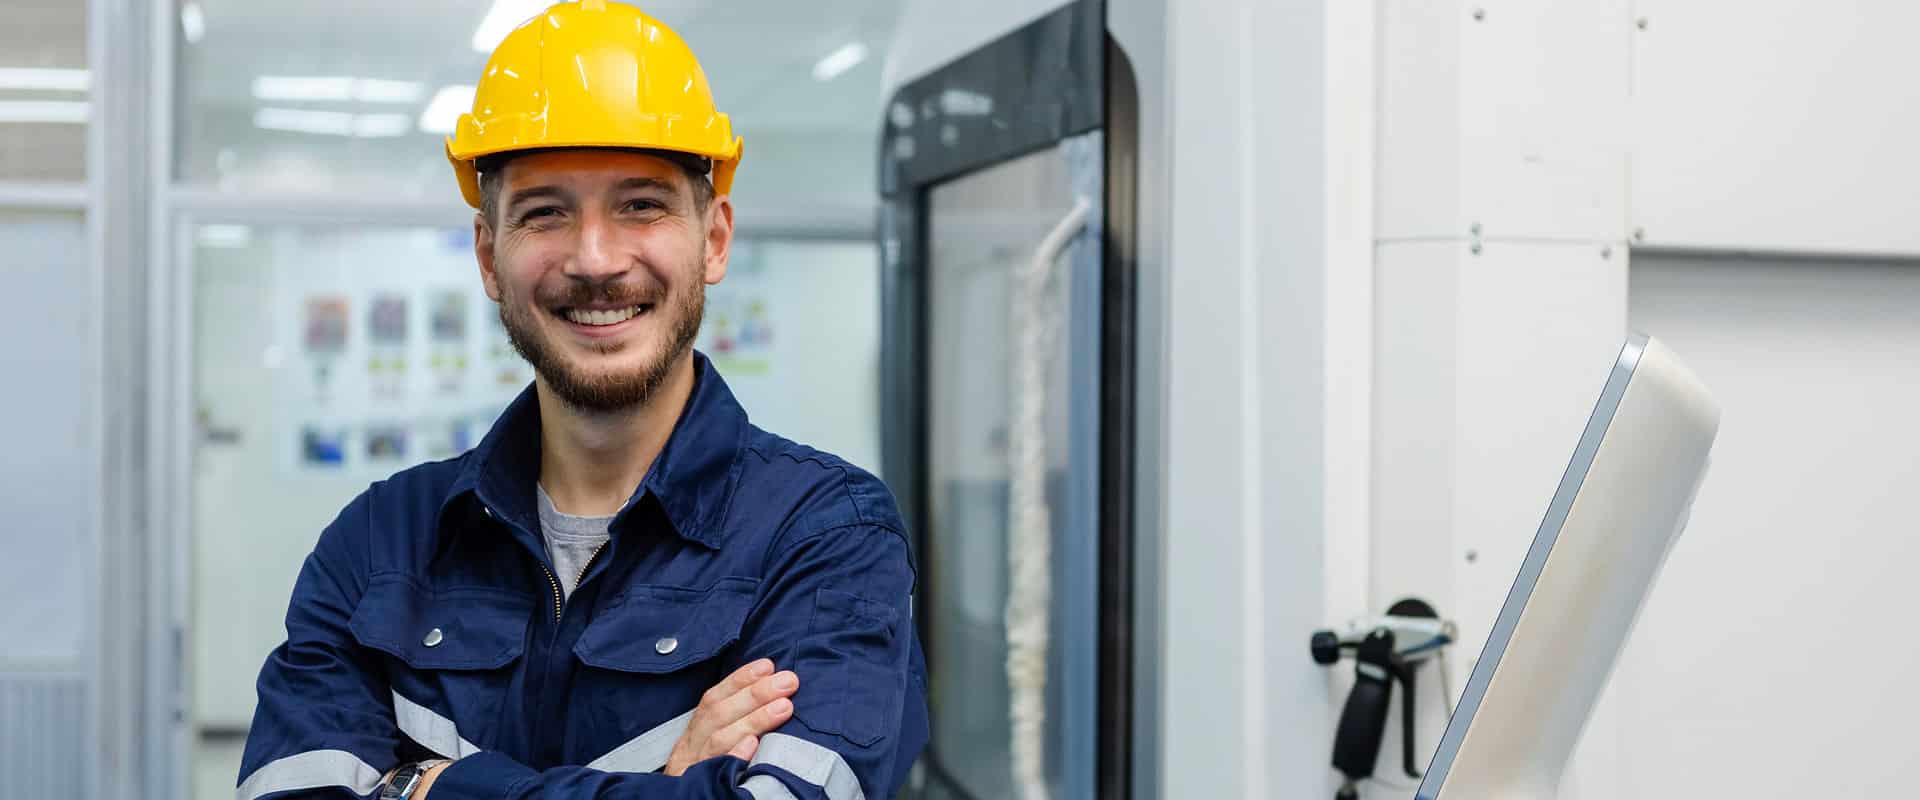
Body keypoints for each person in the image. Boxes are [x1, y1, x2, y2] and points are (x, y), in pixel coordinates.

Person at [235, 2, 928, 798]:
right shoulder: (378, 546)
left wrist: (420, 786)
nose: (596, 259)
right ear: (490, 258)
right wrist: (671, 785)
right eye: (546, 212)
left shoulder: (826, 537)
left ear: (714, 240)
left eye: (640, 204)